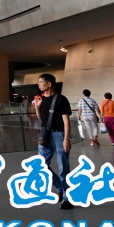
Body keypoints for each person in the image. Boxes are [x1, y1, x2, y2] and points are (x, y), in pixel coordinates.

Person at [32, 73, 73, 209]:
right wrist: (37, 107)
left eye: (41, 82)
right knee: (41, 165)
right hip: (46, 135)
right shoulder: (42, 99)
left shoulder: (61, 99)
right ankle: (60, 187)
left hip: (59, 135)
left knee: (63, 168)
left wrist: (66, 139)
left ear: (49, 84)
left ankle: (67, 198)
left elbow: (66, 121)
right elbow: (42, 119)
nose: (39, 84)